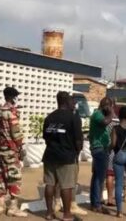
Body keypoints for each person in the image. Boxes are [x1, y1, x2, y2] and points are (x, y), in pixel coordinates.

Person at [43, 92, 83, 221]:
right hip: (67, 156)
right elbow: (78, 140)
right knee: (66, 186)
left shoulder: (49, 117)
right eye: (72, 101)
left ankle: (49, 213)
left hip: (50, 155)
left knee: (50, 184)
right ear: (66, 101)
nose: (73, 103)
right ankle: (67, 215)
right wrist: (77, 152)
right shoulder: (73, 117)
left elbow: (46, 137)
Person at [0, 87, 27, 217]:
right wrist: (22, 148)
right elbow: (16, 133)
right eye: (16, 96)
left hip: (1, 150)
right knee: (14, 178)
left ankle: (0, 205)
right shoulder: (11, 113)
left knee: (1, 177)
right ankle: (13, 207)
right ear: (12, 97)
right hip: (11, 150)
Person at [89, 97, 115, 213]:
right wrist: (111, 113)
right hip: (99, 149)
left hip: (102, 149)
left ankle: (95, 202)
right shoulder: (98, 114)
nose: (110, 109)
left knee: (97, 177)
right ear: (105, 105)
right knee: (99, 178)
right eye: (109, 106)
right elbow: (105, 122)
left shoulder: (100, 114)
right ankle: (97, 204)